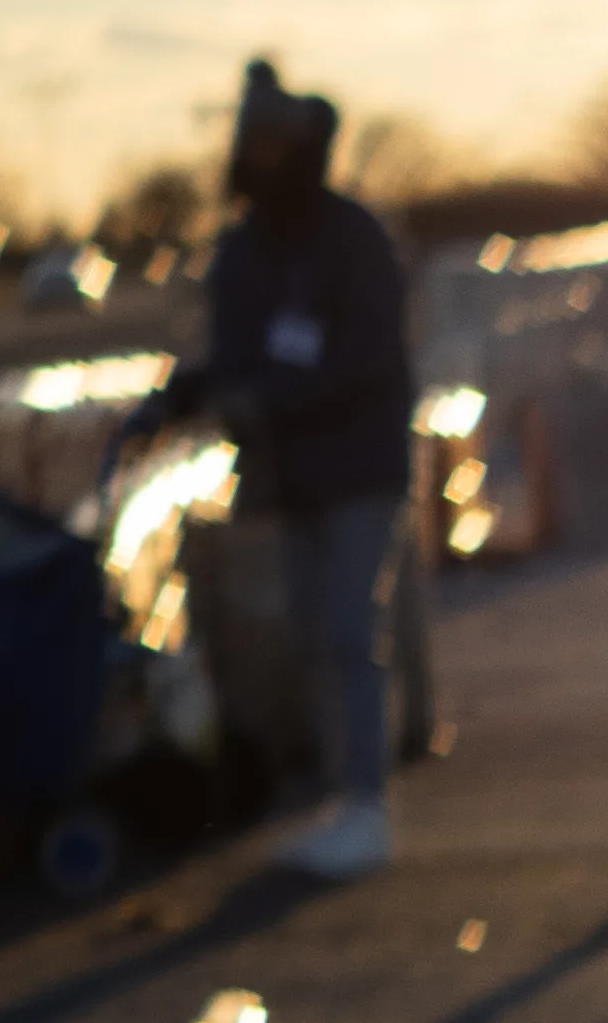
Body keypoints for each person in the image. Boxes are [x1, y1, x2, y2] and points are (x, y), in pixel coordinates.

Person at [163, 63, 419, 884]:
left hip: (360, 467)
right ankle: (337, 800)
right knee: (312, 636)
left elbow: (369, 355)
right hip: (289, 473)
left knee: (350, 631)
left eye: (277, 143)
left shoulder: (352, 238)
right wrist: (194, 390)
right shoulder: (242, 249)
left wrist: (275, 395)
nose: (262, 157)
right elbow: (239, 352)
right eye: (254, 142)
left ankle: (366, 805)